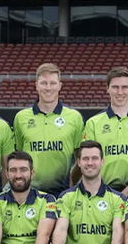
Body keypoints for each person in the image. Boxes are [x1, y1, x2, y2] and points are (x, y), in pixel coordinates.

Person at [81, 67, 128, 194]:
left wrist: (125, 194)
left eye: (125, 87)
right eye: (115, 87)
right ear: (107, 88)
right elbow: (89, 163)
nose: (120, 92)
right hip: (102, 194)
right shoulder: (93, 123)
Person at [13, 63, 84, 196]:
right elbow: (20, 156)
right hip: (30, 193)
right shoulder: (21, 118)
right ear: (36, 85)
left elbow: (80, 160)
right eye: (44, 83)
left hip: (63, 193)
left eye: (52, 83)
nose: (48, 88)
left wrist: (71, 184)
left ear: (60, 86)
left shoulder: (74, 118)